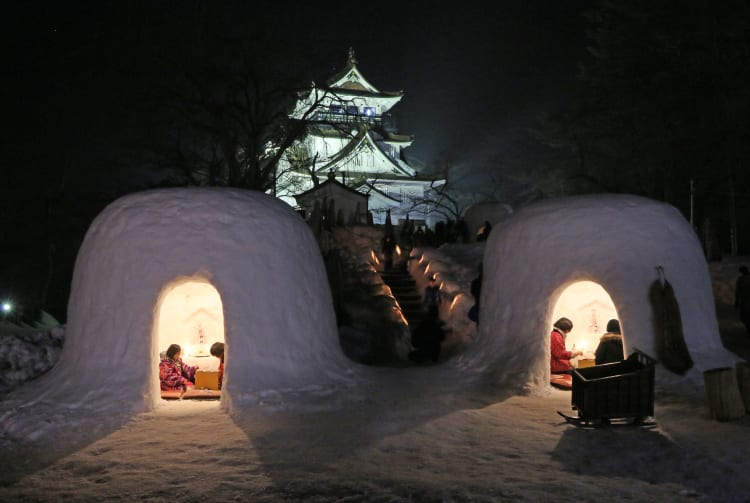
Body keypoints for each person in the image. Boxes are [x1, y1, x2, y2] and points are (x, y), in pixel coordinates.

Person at [736, 266, 750, 336]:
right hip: (745, 302)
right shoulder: (740, 279)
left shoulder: (741, 280)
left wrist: (737, 301)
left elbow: (737, 292)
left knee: (746, 318)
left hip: (745, 302)